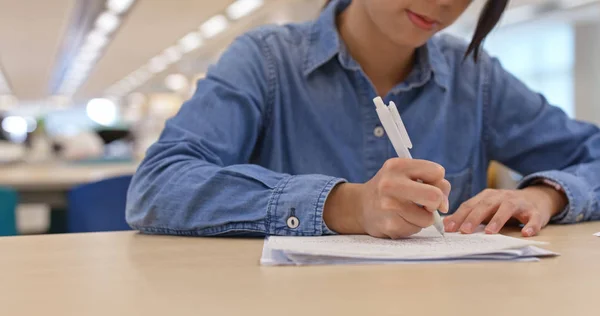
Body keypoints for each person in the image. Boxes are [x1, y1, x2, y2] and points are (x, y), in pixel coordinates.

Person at [126, 0, 600, 239]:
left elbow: (592, 155)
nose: (443, 3)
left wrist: (546, 194)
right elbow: (158, 186)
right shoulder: (266, 61)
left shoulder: (474, 76)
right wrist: (346, 206)